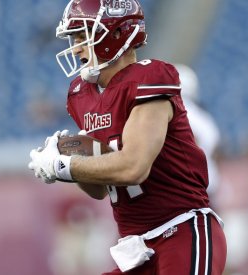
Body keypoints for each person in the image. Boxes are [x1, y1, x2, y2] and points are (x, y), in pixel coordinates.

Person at [27, 0, 227, 274]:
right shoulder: (81, 95)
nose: (77, 47)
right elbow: (99, 189)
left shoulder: (149, 77)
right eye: (74, 38)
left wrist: (65, 166)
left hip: (181, 231)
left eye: (84, 35)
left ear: (117, 33)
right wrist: (67, 160)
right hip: (137, 248)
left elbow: (134, 168)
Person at [174, 64, 222, 203]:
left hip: (184, 188)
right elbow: (215, 149)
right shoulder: (206, 119)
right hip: (208, 185)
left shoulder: (173, 113)